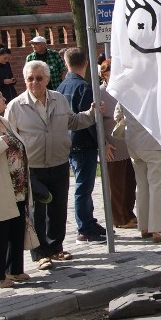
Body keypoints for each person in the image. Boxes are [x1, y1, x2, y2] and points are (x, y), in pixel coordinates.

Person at [5, 60, 96, 270]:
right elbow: (9, 138)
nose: (34, 82)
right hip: (33, 167)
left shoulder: (59, 99)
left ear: (47, 79)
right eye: (30, 79)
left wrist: (92, 113)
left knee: (58, 209)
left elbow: (73, 122)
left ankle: (56, 247)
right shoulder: (16, 106)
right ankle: (40, 254)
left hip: (59, 162)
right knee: (37, 212)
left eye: (39, 78)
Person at [57, 48, 109, 243]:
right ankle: (84, 228)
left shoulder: (61, 87)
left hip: (69, 142)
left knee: (83, 186)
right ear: (86, 63)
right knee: (84, 187)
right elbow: (90, 120)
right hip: (84, 144)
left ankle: (88, 220)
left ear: (66, 63)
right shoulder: (85, 88)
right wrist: (101, 142)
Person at [114, 103, 161, 242]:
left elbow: (117, 115)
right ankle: (158, 228)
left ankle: (144, 227)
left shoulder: (127, 84)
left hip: (133, 141)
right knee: (157, 187)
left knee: (142, 186)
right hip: (153, 143)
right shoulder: (153, 86)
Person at [0, 89, 30, 288]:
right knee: (0, 231)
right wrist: (1, 142)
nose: (4, 99)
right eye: (0, 97)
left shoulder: (4, 120)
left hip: (18, 185)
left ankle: (15, 269)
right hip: (1, 187)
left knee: (17, 227)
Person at [99, 60, 136, 229]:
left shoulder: (125, 90)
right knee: (116, 184)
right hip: (112, 146)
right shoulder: (100, 93)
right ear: (103, 74)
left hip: (129, 143)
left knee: (130, 182)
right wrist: (104, 144)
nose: (112, 75)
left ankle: (128, 212)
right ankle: (118, 218)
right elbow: (96, 122)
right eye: (108, 72)